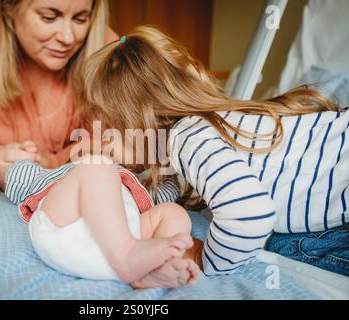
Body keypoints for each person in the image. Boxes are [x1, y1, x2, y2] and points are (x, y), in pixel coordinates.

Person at [76, 26, 349, 277]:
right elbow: (165, 192)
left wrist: (204, 258)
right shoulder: (208, 125)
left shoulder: (186, 138)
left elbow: (249, 215)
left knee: (277, 245)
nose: (103, 142)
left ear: (136, 121)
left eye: (106, 129)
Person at [0, 0, 117, 187]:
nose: (68, 37)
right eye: (49, 17)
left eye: (81, 19)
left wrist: (55, 163)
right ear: (8, 7)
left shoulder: (106, 44)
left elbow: (119, 141)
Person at [1, 155, 202, 289]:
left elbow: (171, 187)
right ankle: (126, 255)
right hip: (67, 226)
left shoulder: (136, 182)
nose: (101, 140)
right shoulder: (64, 170)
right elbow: (14, 176)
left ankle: (155, 267)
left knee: (174, 213)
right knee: (98, 165)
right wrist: (4, 164)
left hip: (124, 231)